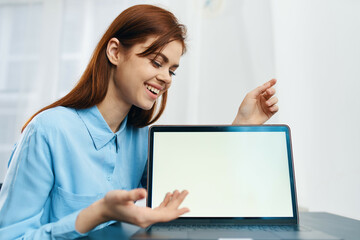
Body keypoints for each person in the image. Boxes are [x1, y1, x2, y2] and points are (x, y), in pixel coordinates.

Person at [0, 4, 278, 239]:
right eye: (156, 62)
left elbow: (188, 197)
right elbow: (11, 235)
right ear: (115, 52)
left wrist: (242, 126)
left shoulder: (140, 138)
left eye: (172, 70)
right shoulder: (48, 130)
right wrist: (97, 213)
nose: (167, 77)